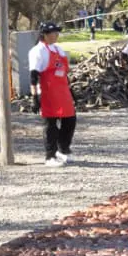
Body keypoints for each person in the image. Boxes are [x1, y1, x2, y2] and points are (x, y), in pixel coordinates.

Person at [28, 21, 76, 167]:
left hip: (62, 91)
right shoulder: (38, 51)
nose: (56, 35)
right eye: (53, 32)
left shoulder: (58, 49)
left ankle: (63, 149)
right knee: (51, 125)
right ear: (45, 35)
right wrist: (34, 97)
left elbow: (64, 74)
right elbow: (33, 76)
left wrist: (72, 92)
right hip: (47, 91)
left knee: (70, 121)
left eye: (57, 32)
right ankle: (50, 156)